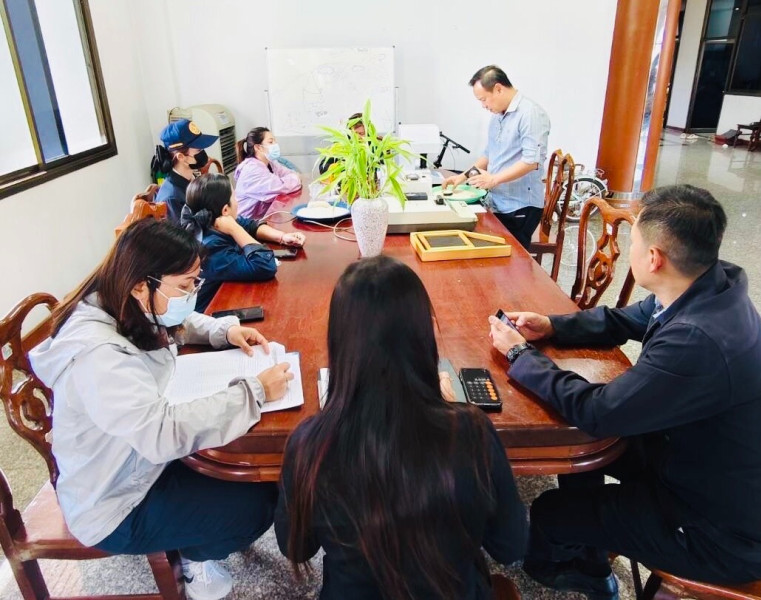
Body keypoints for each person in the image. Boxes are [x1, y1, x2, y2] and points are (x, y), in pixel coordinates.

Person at [487, 185, 761, 599]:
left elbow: (598, 411)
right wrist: (552, 325)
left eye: (632, 241)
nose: (629, 250)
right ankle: (594, 547)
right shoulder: (709, 283)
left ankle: (582, 572)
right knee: (584, 458)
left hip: (717, 531)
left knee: (549, 511)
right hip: (694, 462)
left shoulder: (696, 340)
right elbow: (624, 320)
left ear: (654, 258)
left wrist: (520, 356)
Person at [30, 219, 295, 600]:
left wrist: (223, 331)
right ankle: (195, 561)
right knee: (255, 508)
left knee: (251, 479)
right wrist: (254, 392)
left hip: (137, 463)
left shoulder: (122, 300)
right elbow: (161, 434)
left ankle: (191, 536)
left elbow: (175, 319)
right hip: (115, 502)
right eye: (186, 286)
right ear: (142, 284)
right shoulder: (98, 355)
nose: (192, 294)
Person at [275, 256, 527, 599]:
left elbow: (296, 548)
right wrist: (453, 410)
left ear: (339, 341)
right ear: (425, 334)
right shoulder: (472, 431)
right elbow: (510, 545)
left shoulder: (308, 444)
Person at [443, 65, 550, 250]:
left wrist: (493, 179)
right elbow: (489, 154)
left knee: (512, 259)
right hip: (497, 201)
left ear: (498, 89)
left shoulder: (530, 114)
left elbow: (531, 161)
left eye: (484, 99)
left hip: (520, 206)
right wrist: (463, 176)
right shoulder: (498, 115)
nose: (483, 105)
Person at [181, 173, 305, 312]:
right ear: (225, 210)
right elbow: (264, 266)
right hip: (210, 312)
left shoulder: (212, 223)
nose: (237, 201)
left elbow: (250, 225)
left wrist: (282, 237)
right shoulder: (210, 248)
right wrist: (235, 229)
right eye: (234, 197)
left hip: (227, 294)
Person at [154, 119, 219, 223]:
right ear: (181, 157)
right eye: (199, 150)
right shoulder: (172, 198)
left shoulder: (191, 180)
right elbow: (185, 233)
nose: (204, 154)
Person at [235, 127, 302, 219]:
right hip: (247, 224)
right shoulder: (252, 170)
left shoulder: (270, 163)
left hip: (263, 219)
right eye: (271, 142)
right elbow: (281, 187)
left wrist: (293, 178)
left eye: (275, 141)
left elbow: (289, 173)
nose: (275, 145)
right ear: (258, 147)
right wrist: (296, 178)